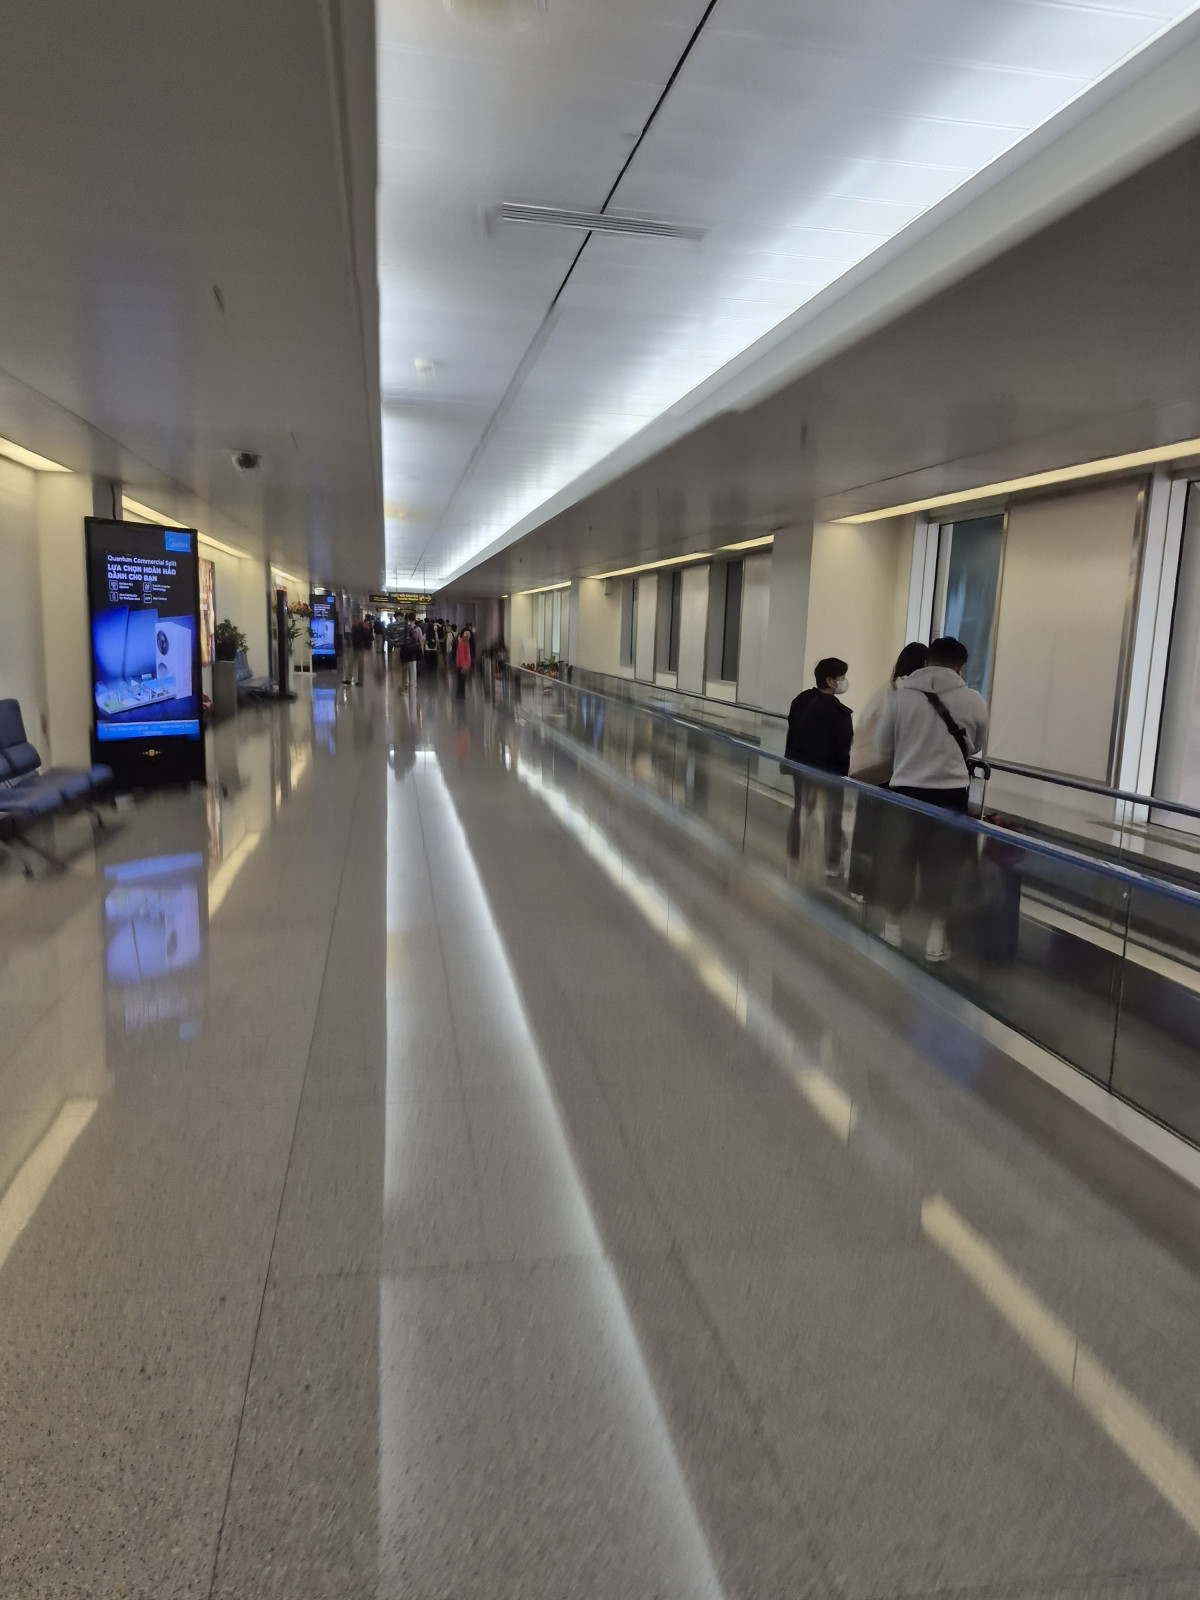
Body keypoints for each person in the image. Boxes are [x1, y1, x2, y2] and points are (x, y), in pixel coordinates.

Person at [874, 635, 989, 962]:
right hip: (951, 795)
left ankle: (892, 930)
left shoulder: (901, 698)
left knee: (899, 861)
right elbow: (978, 744)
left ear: (927, 662)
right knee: (944, 865)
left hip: (905, 792)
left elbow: (883, 746)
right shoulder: (974, 700)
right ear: (959, 667)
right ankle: (936, 939)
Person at [846, 642, 929, 900]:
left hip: (869, 770)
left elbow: (863, 724)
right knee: (887, 833)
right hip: (892, 772)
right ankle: (878, 888)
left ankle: (859, 885)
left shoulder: (887, 689)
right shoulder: (912, 693)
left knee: (866, 828)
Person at [784, 656, 853, 875]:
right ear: (830, 681)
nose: (844, 681)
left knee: (802, 809)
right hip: (828, 772)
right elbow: (842, 747)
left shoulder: (801, 700)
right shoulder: (839, 713)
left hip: (799, 766)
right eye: (841, 677)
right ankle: (830, 863)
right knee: (832, 815)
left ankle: (796, 854)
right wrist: (845, 774)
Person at [454, 625, 472, 699]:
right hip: (461, 665)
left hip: (465, 665)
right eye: (466, 636)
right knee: (461, 680)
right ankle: (460, 695)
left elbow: (467, 654)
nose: (468, 637)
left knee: (463, 680)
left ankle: (461, 694)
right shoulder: (461, 642)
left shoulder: (466, 642)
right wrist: (464, 665)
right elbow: (461, 655)